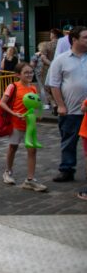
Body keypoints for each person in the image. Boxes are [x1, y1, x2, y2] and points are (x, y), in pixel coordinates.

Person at [47, 25, 87, 183]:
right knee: (68, 141)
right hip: (71, 110)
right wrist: (61, 105)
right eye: (85, 37)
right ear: (74, 39)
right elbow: (54, 84)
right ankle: (67, 169)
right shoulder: (60, 60)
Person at [0, 63, 47, 192]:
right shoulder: (13, 86)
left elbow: (36, 105)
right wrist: (13, 113)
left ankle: (30, 180)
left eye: (31, 72)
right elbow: (2, 103)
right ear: (18, 74)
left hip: (30, 125)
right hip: (16, 124)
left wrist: (38, 115)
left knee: (32, 150)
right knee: (13, 147)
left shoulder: (33, 88)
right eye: (26, 72)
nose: (29, 75)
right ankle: (8, 172)